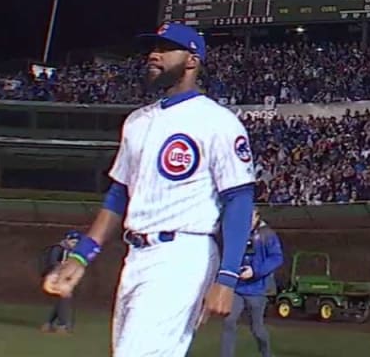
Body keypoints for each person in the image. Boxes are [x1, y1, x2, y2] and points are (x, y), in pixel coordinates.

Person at [41, 22, 257, 357]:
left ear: (191, 60)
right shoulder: (137, 122)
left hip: (183, 255)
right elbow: (118, 196)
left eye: (166, 48)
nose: (153, 55)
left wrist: (227, 278)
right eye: (153, 47)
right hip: (137, 257)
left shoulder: (218, 122)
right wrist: (82, 256)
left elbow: (239, 200)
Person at [221, 207, 284, 357]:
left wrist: (254, 271)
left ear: (257, 216)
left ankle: (266, 354)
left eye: (250, 216)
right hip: (237, 288)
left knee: (257, 328)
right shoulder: (237, 232)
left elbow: (276, 258)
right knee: (229, 322)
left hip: (257, 290)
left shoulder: (267, 235)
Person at [40, 230, 80, 333]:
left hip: (64, 279)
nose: (74, 244)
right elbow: (53, 262)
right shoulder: (59, 249)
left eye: (76, 242)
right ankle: (62, 324)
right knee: (64, 299)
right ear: (67, 240)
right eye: (73, 242)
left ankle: (50, 324)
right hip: (55, 278)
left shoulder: (72, 252)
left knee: (61, 300)